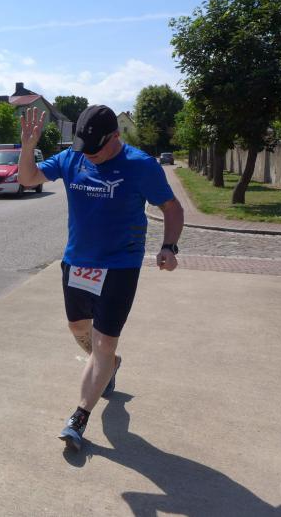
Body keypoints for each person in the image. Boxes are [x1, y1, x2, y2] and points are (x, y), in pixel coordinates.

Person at [17, 105, 184, 451]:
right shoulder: (72, 158)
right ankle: (109, 365)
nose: (89, 155)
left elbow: (172, 207)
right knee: (78, 329)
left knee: (104, 343)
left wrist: (169, 246)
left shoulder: (141, 165)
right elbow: (28, 179)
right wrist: (28, 147)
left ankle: (79, 417)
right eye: (84, 148)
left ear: (116, 137)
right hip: (77, 262)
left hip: (120, 266)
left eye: (96, 149)